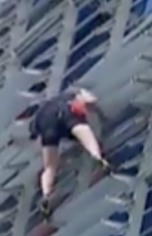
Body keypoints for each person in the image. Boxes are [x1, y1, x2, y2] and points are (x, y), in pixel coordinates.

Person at [29, 88, 110, 218]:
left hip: (47, 127)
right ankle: (99, 158)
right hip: (67, 115)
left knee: (50, 167)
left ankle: (46, 195)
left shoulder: (39, 116)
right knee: (87, 137)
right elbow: (90, 100)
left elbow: (36, 137)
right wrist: (101, 115)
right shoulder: (69, 95)